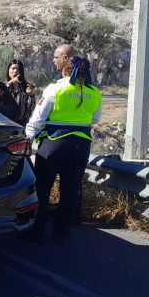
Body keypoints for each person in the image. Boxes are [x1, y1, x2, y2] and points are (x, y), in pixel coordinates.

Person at [25, 43, 102, 243]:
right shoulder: (94, 91)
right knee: (70, 190)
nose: (53, 60)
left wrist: (28, 140)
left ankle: (37, 231)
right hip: (81, 146)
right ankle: (61, 232)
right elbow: (94, 119)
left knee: (42, 188)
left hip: (54, 143)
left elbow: (37, 119)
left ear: (67, 60)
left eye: (56, 57)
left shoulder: (56, 88)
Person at [5, 59, 36, 127]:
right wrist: (10, 83)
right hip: (6, 123)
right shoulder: (3, 86)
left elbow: (31, 107)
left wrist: (31, 95)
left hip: (22, 124)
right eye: (13, 68)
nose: (15, 71)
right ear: (8, 70)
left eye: (18, 69)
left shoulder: (26, 87)